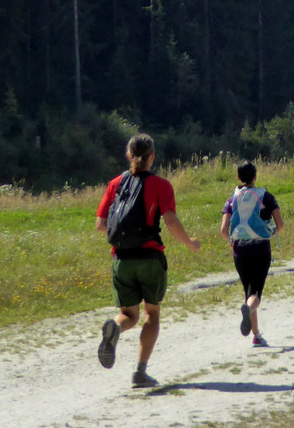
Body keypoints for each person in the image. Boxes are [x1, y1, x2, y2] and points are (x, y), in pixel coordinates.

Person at [95, 133, 202, 389]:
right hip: (151, 258)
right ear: (152, 156)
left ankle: (116, 328)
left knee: (128, 315)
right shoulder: (161, 185)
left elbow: (100, 225)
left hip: (122, 259)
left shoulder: (115, 184)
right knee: (151, 314)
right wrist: (190, 243)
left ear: (128, 155)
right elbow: (171, 221)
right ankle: (140, 372)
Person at [220, 161, 284, 347]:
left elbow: (224, 230)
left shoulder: (232, 199)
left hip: (240, 251)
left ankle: (256, 335)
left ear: (239, 178)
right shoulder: (266, 196)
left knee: (248, 290)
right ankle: (248, 312)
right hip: (260, 249)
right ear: (255, 177)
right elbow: (280, 224)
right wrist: (270, 234)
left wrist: (231, 241)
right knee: (255, 293)